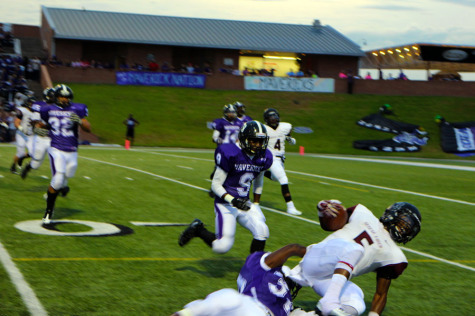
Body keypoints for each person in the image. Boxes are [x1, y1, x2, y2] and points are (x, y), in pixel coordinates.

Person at [288, 200, 422, 316]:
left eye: (408, 228)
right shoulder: (364, 215)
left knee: (357, 303)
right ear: (393, 214)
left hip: (329, 277)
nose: (404, 229)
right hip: (320, 262)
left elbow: (381, 294)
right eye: (404, 223)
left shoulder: (394, 254)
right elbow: (330, 226)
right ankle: (284, 278)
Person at [179, 121, 273, 254]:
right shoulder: (230, 152)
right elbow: (215, 185)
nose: (258, 145)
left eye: (261, 141)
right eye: (254, 141)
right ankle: (198, 229)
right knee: (222, 247)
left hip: (245, 203)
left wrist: (256, 202)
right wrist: (233, 201)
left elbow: (259, 179)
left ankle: (253, 269)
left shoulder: (263, 156)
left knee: (262, 231)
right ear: (244, 138)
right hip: (226, 204)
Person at [171, 243, 314, 316]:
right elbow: (292, 248)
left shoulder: (280, 299)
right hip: (253, 309)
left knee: (227, 298)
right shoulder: (261, 268)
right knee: (230, 297)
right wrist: (313, 252)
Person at [38, 84, 91, 225]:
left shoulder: (78, 109)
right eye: (61, 96)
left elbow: (88, 128)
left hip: (72, 149)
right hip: (56, 148)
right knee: (59, 178)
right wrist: (37, 130)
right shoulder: (48, 109)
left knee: (69, 173)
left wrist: (79, 121)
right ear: (56, 97)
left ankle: (53, 191)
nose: (64, 99)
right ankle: (49, 211)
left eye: (67, 97)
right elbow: (40, 125)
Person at [259, 108, 301, 215]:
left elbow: (293, 142)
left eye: (275, 117)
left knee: (274, 178)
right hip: (271, 157)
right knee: (283, 178)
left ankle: (261, 171)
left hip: (280, 158)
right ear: (266, 119)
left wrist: (290, 139)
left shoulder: (284, 127)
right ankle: (290, 207)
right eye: (271, 118)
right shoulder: (263, 129)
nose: (273, 119)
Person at [21, 88, 55, 179]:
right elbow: (35, 122)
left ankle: (60, 185)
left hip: (54, 138)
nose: (55, 98)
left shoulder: (58, 107)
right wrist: (41, 127)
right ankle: (28, 167)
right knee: (36, 162)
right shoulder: (39, 106)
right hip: (42, 137)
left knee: (57, 160)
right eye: (52, 96)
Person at [10, 96, 36, 174]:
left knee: (33, 153)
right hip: (21, 134)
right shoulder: (22, 110)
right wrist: (21, 128)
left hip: (30, 135)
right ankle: (13, 166)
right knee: (20, 153)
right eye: (31, 103)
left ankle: (22, 158)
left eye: (33, 104)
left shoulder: (36, 113)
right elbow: (16, 122)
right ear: (28, 103)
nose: (32, 105)